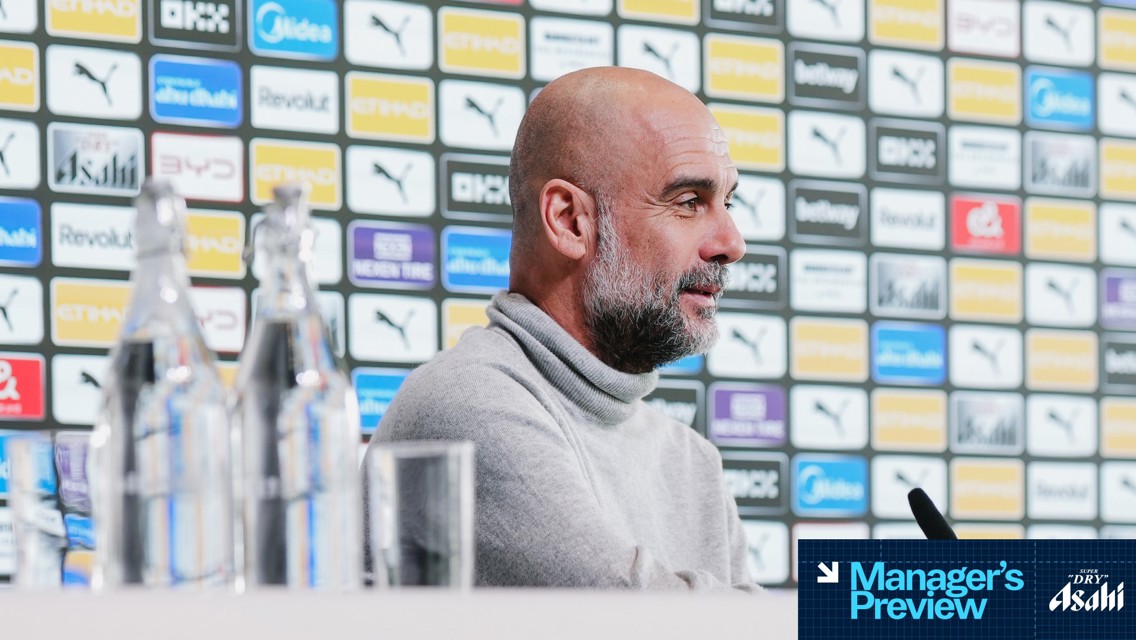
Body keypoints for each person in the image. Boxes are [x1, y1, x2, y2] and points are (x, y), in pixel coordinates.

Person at [370, 67, 759, 592]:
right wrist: (886, 597)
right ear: (570, 221)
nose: (732, 242)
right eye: (689, 201)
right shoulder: (466, 404)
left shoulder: (692, 462)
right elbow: (635, 617)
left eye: (727, 203)